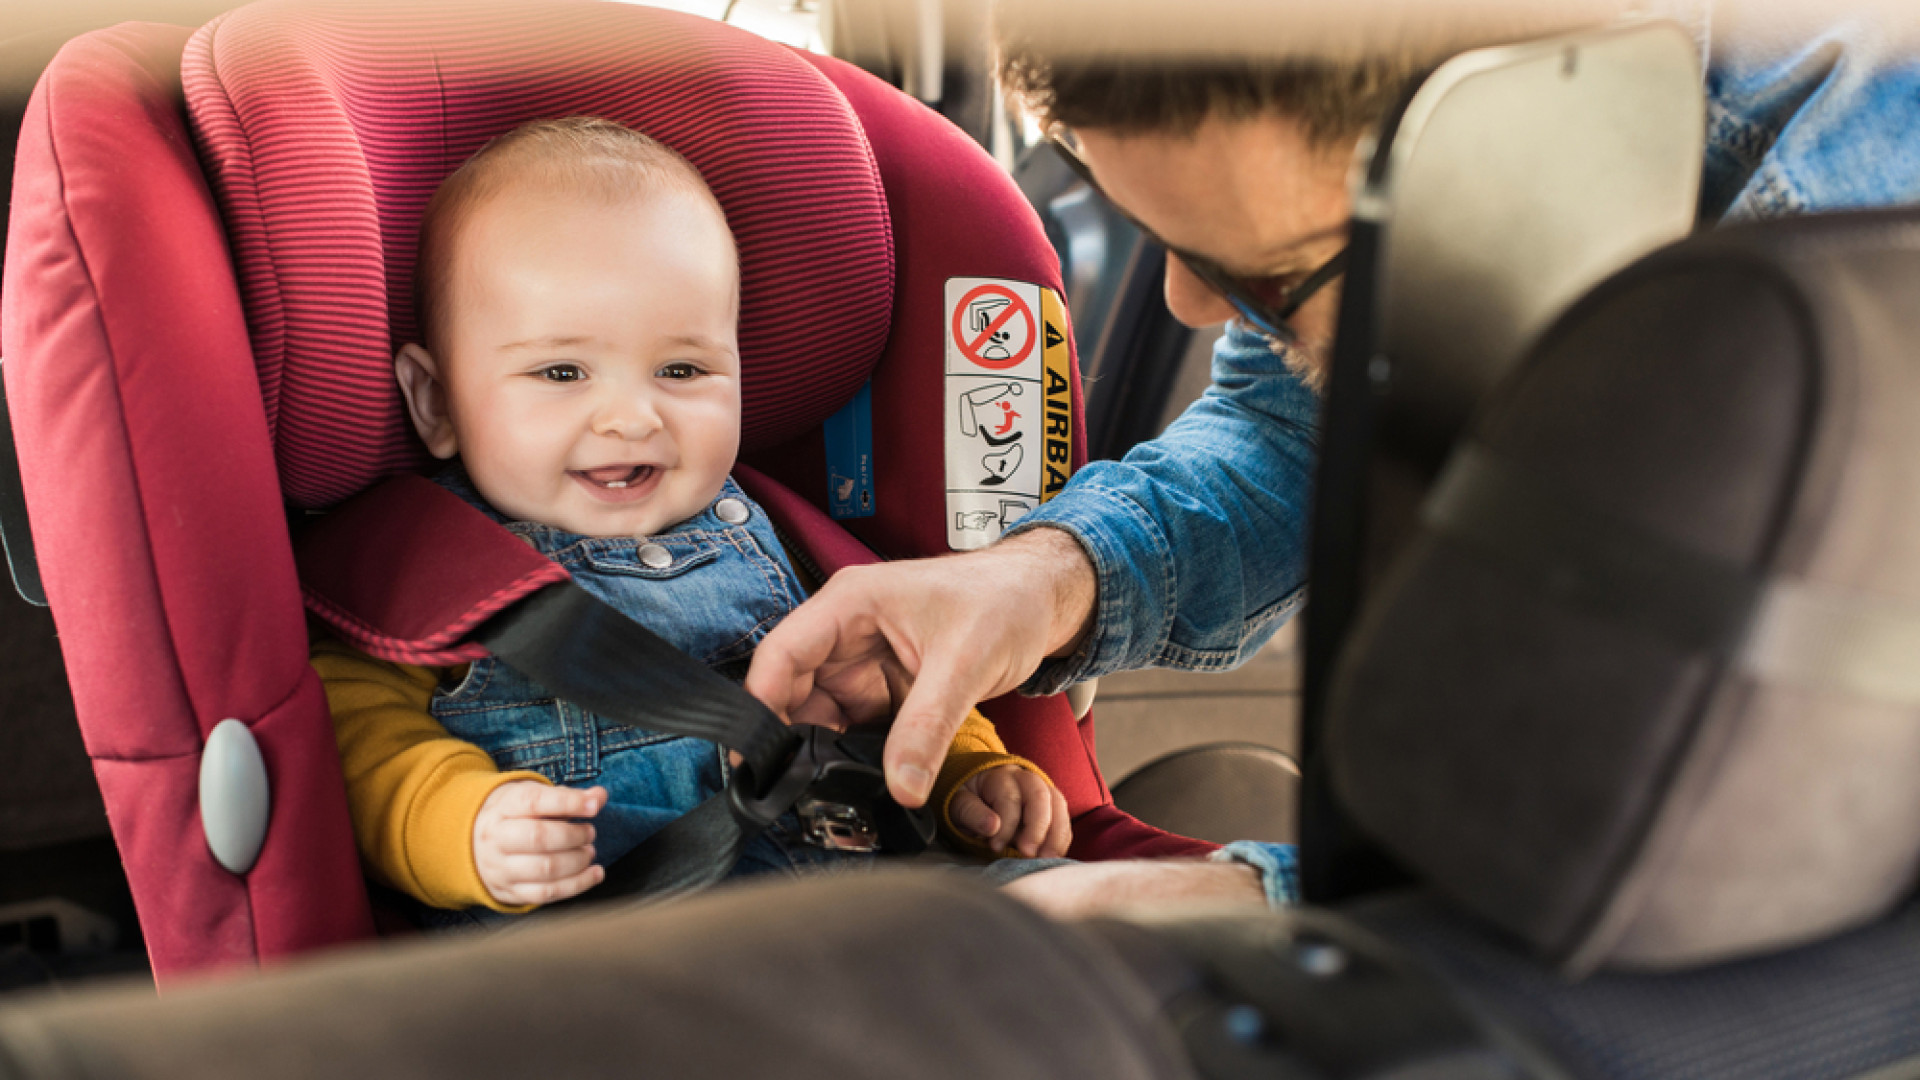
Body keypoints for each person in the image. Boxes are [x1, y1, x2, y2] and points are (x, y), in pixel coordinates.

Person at [743, 2, 1920, 914]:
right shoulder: (1403, 171)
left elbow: (1733, 826)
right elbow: (1287, 429)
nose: (1187, 304)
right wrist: (1042, 578)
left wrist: (1261, 904)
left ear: (1530, 140)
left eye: (1260, 276)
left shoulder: (1854, 260)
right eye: (1159, 234)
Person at [311, 117, 1070, 917]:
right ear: (436, 402)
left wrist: (968, 777)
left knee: (1085, 915)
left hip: (867, 906)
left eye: (682, 368)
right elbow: (356, 742)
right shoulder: (427, 576)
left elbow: (898, 684)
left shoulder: (782, 542)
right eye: (561, 371)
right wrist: (462, 825)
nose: (632, 417)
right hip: (631, 947)